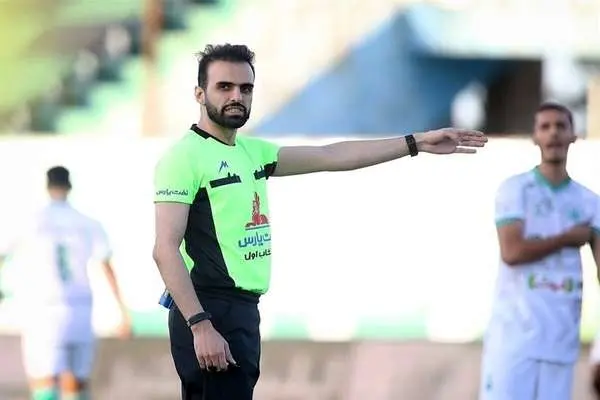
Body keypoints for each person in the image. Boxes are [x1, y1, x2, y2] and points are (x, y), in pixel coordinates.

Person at [152, 43, 488, 400]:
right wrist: (199, 324)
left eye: (245, 88)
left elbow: (332, 155)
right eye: (225, 87)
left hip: (243, 311)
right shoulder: (184, 158)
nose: (237, 96)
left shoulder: (252, 153)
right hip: (208, 309)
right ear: (199, 94)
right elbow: (164, 249)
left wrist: (415, 142)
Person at [479, 102, 600, 400]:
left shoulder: (589, 201)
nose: (553, 133)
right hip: (513, 342)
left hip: (561, 341)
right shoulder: (514, 190)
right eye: (545, 127)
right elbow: (512, 252)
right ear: (535, 136)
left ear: (574, 135)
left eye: (561, 126)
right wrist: (566, 238)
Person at [0, 166, 132, 400]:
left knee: (44, 381)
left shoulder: (31, 221)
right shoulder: (88, 222)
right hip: (80, 307)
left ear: (47, 186)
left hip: (43, 308)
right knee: (76, 383)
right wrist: (122, 312)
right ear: (69, 186)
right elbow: (106, 266)